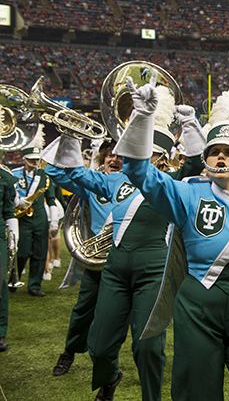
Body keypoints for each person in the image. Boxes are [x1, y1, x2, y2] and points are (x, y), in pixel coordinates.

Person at [116, 81, 229, 401]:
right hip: (196, 312)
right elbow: (137, 171)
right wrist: (142, 118)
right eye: (214, 151)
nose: (220, 157)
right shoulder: (186, 193)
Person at [43, 84, 202, 401]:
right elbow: (73, 172)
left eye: (153, 154)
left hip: (154, 272)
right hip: (114, 270)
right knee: (99, 345)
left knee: (147, 347)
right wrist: (72, 134)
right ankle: (111, 376)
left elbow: (196, 165)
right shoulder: (114, 179)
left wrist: (190, 125)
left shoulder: (172, 183)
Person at [50, 141, 118, 377]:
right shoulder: (92, 183)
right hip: (98, 262)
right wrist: (70, 137)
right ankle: (69, 351)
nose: (114, 160)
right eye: (109, 156)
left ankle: (109, 367)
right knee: (83, 310)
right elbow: (53, 171)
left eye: (119, 156)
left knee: (114, 318)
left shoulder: (138, 184)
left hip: (126, 261)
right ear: (103, 158)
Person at [12, 132, 57, 297]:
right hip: (22, 218)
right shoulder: (15, 174)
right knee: (22, 251)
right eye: (31, 159)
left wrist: (53, 221)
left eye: (37, 159)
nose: (35, 162)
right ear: (24, 158)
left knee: (39, 252)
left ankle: (35, 286)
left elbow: (51, 198)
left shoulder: (44, 176)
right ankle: (13, 278)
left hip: (40, 217)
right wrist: (19, 202)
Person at [0, 161, 18, 351]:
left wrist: (14, 236)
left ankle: (0, 333)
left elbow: (8, 210)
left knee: (0, 284)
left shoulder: (4, 177)